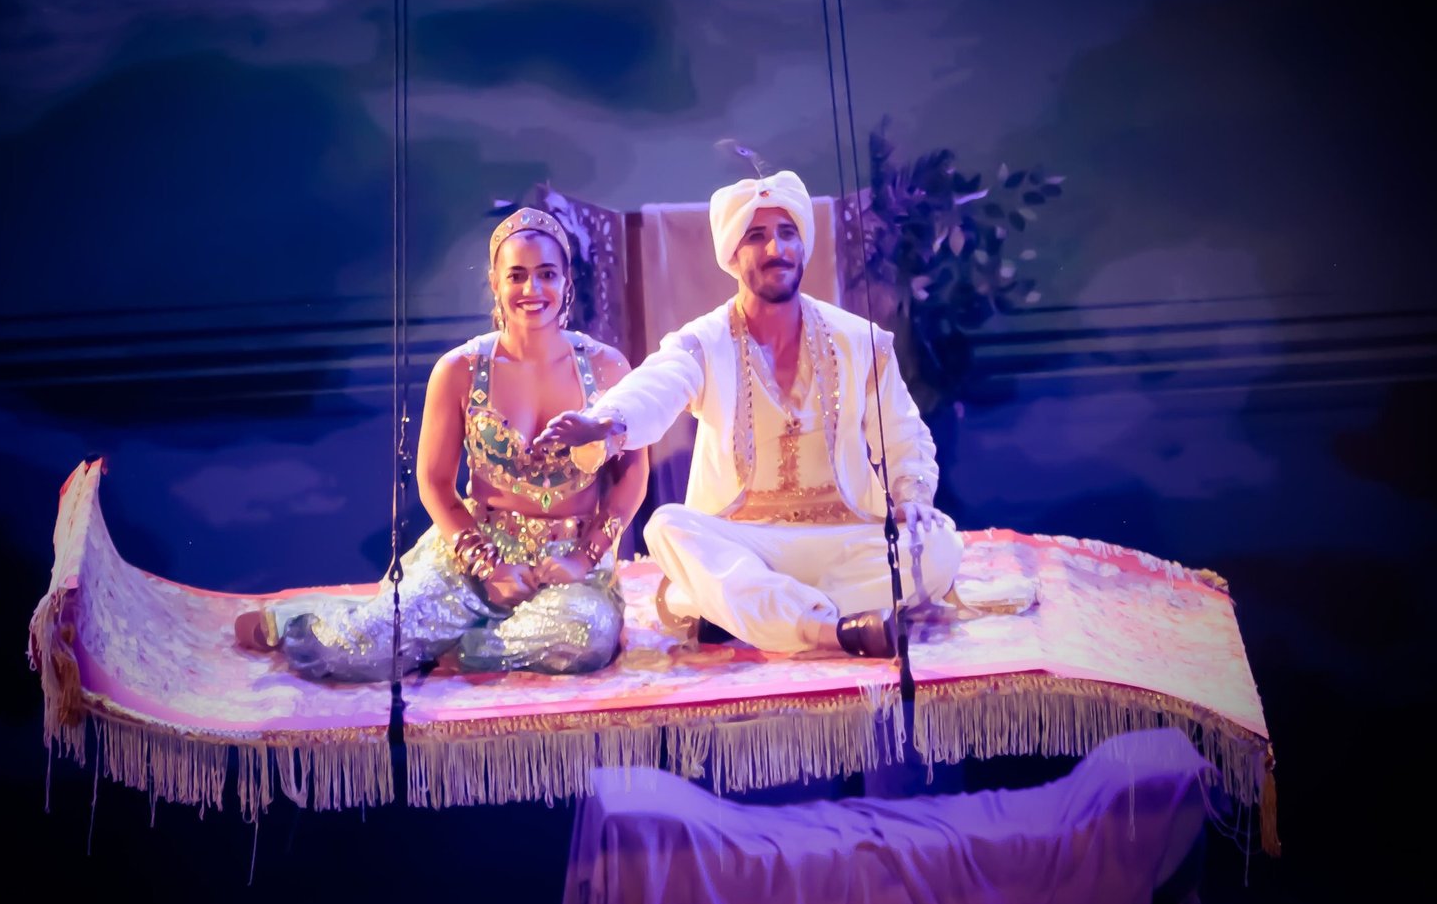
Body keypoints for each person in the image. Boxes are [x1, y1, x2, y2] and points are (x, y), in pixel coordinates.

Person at [538, 171, 962, 659]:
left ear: (802, 245)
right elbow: (658, 383)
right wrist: (607, 421)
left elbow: (904, 432)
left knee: (939, 547)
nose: (776, 249)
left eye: (787, 233)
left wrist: (912, 495)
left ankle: (753, 611)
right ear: (732, 256)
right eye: (756, 236)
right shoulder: (705, 341)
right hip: (743, 543)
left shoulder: (859, 341)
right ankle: (830, 628)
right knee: (667, 527)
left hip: (841, 538)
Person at [235, 207, 648, 679]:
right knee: (357, 652)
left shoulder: (608, 368)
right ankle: (302, 620)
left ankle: (456, 645)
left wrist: (585, 555)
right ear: (495, 282)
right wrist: (487, 565)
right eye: (516, 275)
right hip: (479, 552)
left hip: (569, 564)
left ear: (567, 281)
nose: (532, 290)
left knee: (585, 638)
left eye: (546, 274)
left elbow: (634, 473)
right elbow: (434, 482)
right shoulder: (459, 370)